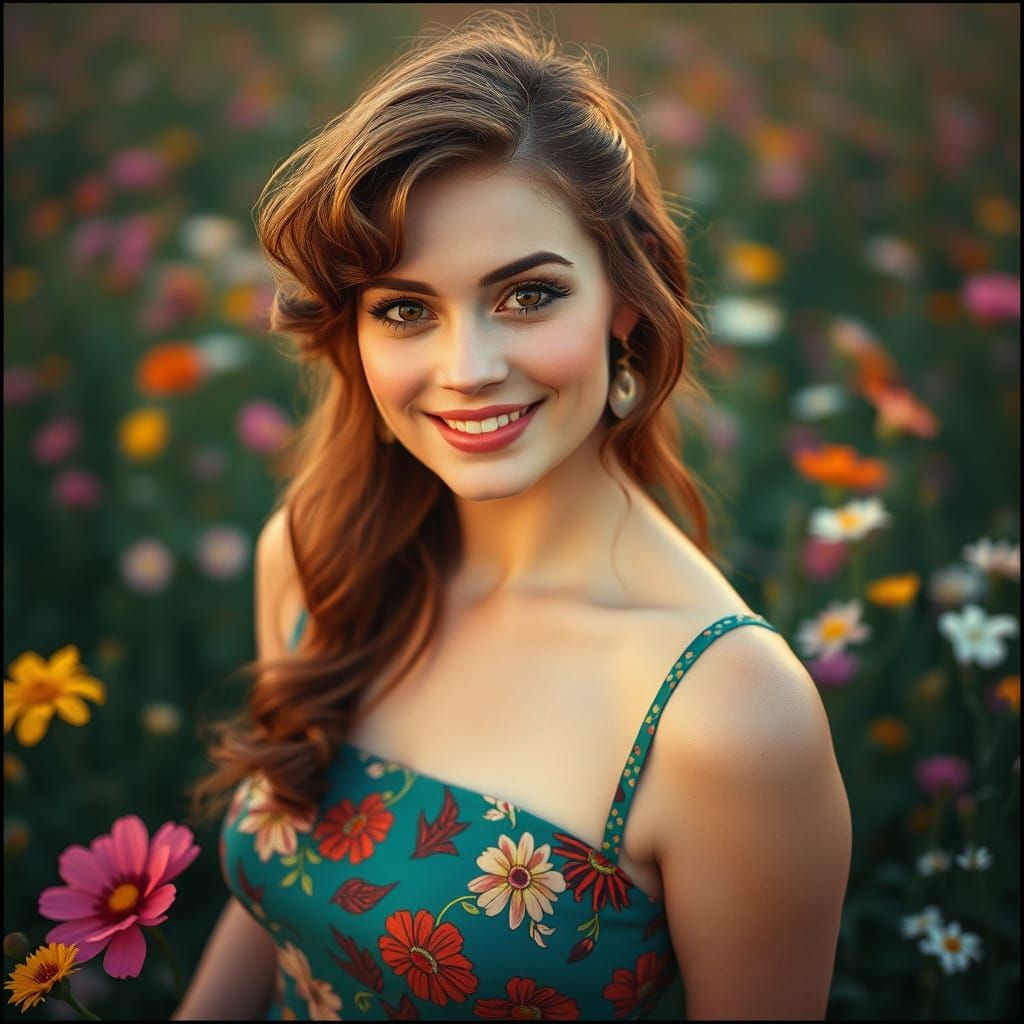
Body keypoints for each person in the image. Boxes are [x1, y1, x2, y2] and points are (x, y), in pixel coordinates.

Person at [176, 9, 851, 1021]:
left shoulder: (727, 716)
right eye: (405, 309)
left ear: (623, 302)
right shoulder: (321, 557)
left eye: (527, 296)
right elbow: (277, 907)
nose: (467, 369)